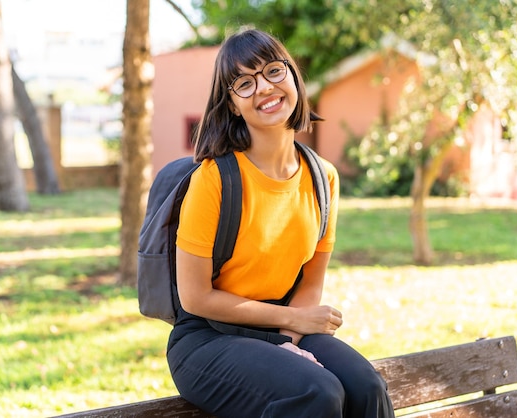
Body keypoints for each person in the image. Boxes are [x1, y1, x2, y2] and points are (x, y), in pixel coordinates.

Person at [167, 28, 395, 418]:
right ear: (233, 105)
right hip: (208, 336)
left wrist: (287, 338)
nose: (264, 88)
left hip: (285, 324)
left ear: (293, 77)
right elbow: (195, 298)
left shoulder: (323, 178)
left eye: (273, 71)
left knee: (366, 387)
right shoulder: (214, 179)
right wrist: (286, 326)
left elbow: (310, 283)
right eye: (244, 83)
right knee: (315, 392)